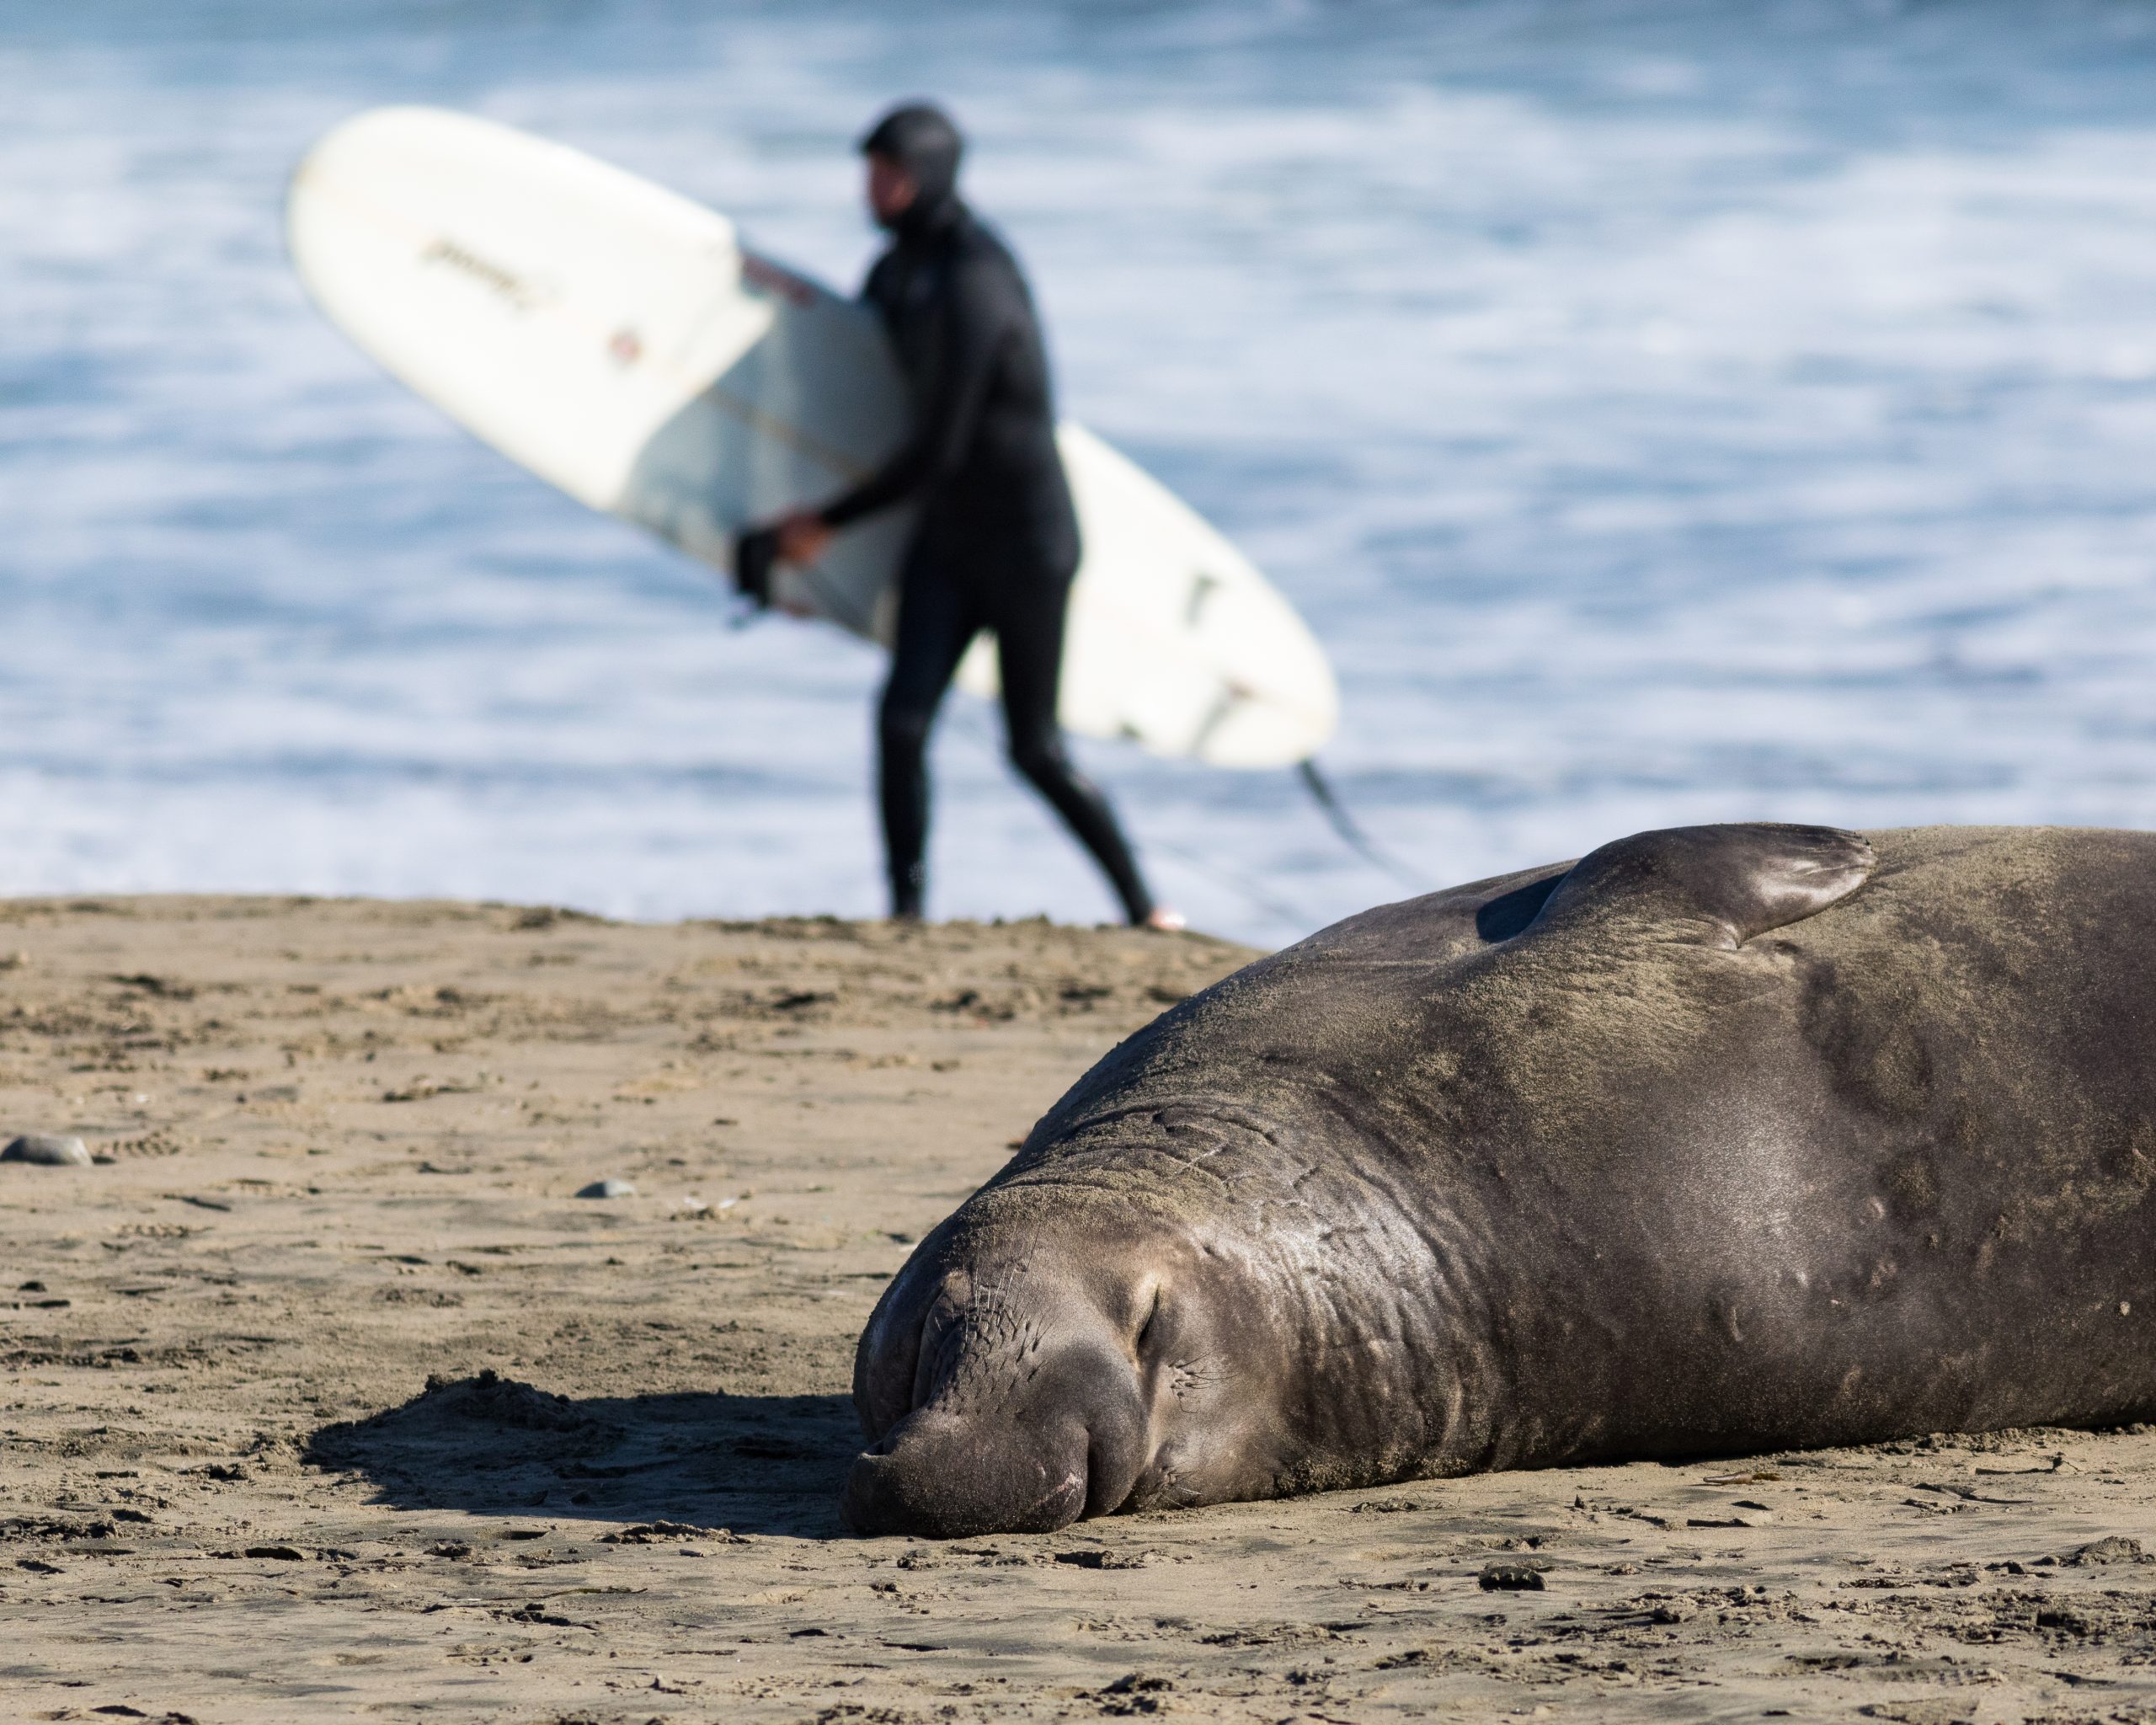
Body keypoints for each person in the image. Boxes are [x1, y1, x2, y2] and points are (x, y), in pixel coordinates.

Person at [740, 102, 1177, 930]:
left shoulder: (978, 279)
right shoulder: (898, 272)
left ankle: (1145, 908)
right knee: (901, 723)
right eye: (870, 170)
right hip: (946, 536)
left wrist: (824, 525)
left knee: (1034, 748)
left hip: (1024, 542)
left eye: (890, 171)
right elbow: (849, 396)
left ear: (930, 175)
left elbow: (939, 445)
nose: (875, 187)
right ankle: (906, 913)